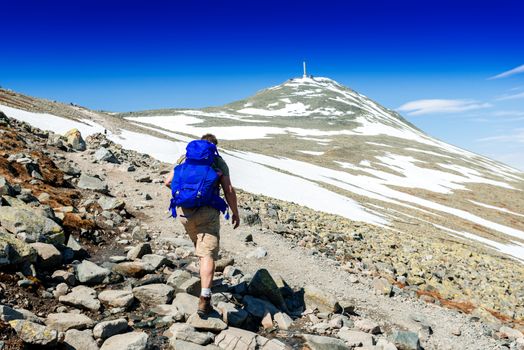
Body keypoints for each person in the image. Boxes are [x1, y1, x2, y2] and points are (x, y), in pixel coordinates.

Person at [164, 133, 240, 315]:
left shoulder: (185, 158)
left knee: (199, 246)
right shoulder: (218, 162)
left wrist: (186, 196)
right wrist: (235, 212)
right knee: (207, 254)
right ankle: (205, 296)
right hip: (208, 212)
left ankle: (203, 279)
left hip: (184, 213)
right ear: (214, 147)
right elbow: (228, 190)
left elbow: (168, 181)